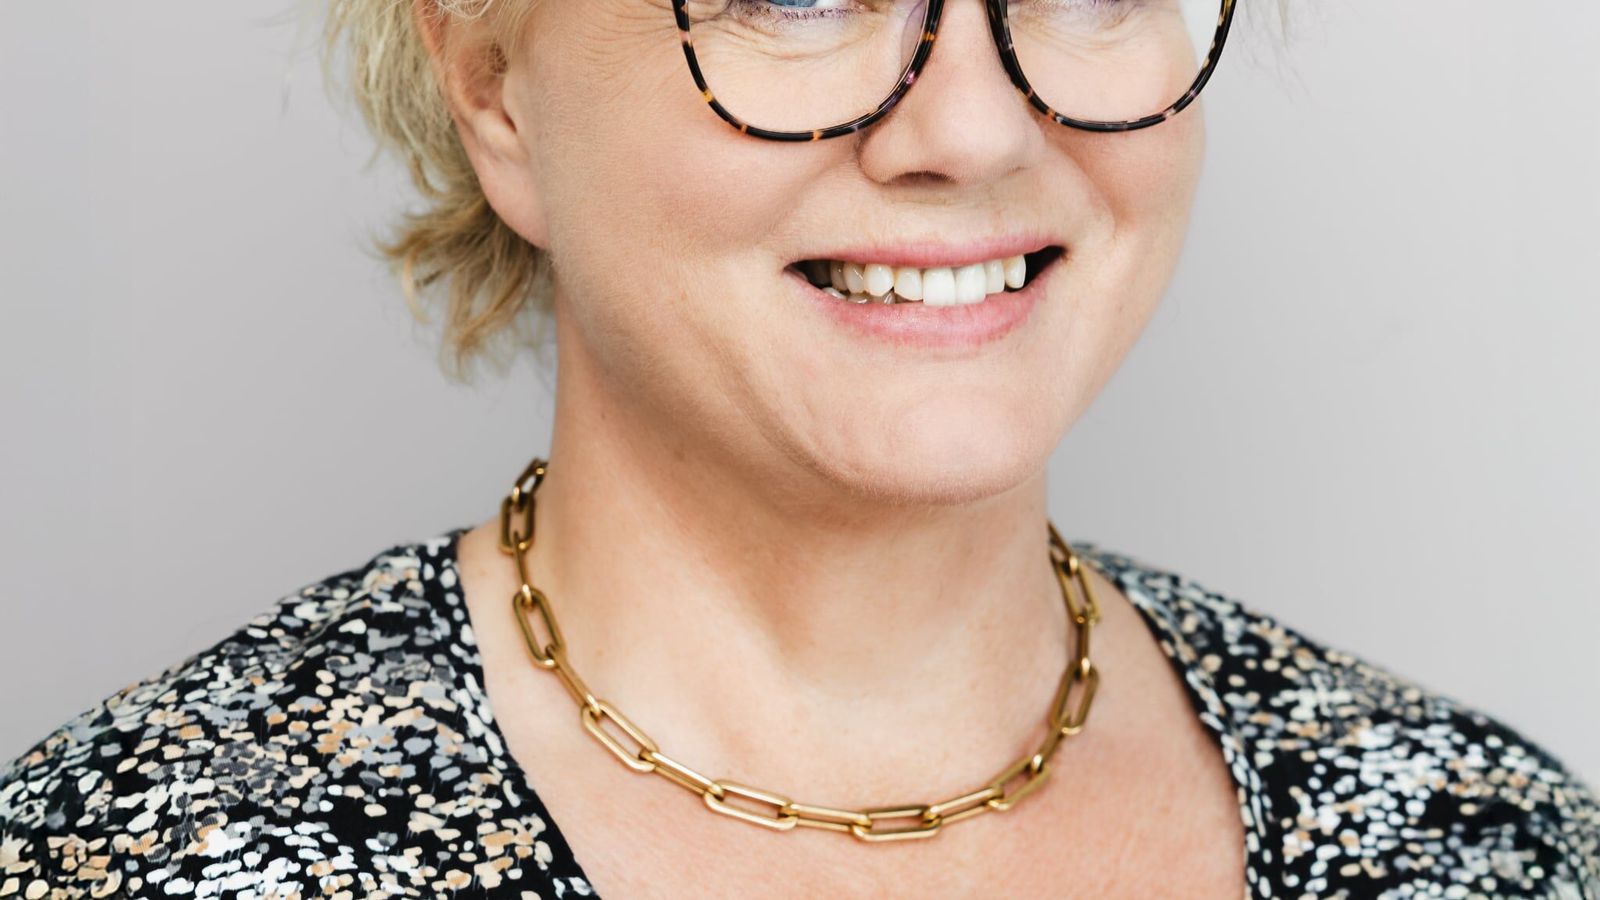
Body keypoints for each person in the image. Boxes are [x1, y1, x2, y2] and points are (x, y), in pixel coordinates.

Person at [2, 0, 1596, 896]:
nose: (971, 128)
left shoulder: (1491, 844)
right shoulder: (138, 859)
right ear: (494, 93)